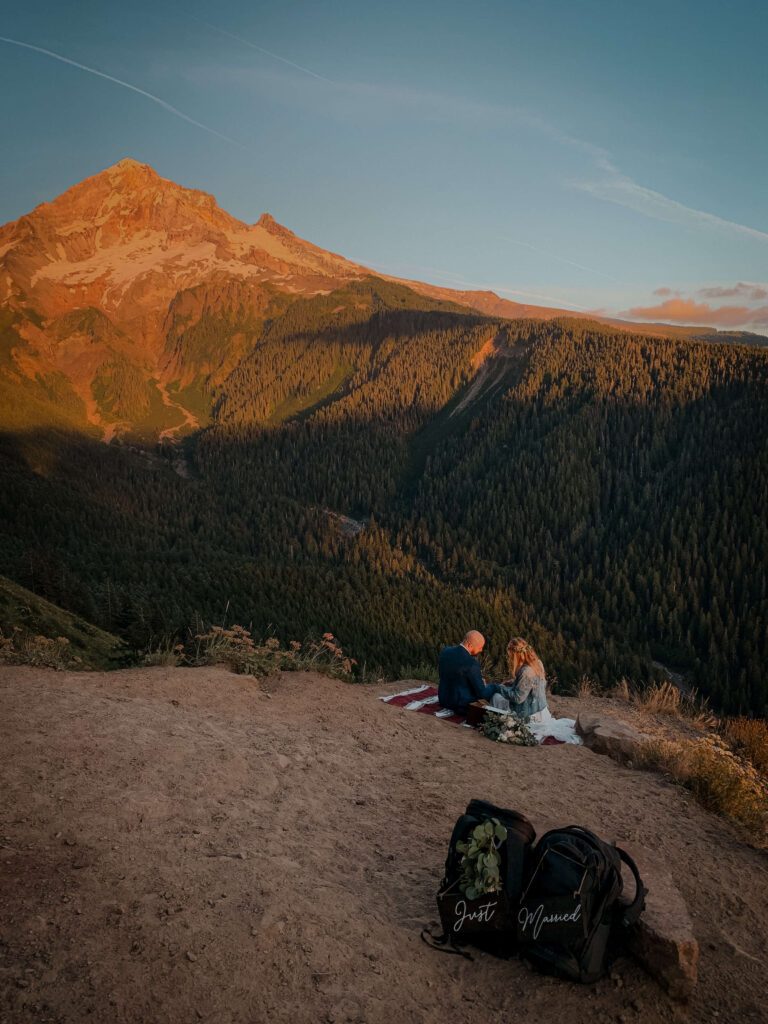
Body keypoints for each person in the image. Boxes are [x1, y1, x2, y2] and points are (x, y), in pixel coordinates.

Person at [438, 630, 500, 714]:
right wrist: (494, 687)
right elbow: (482, 694)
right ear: (470, 645)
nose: (481, 650)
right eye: (480, 647)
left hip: (443, 699)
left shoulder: (445, 651)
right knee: (487, 692)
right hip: (459, 704)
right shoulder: (472, 663)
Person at [492, 637, 550, 723]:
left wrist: (498, 687)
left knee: (495, 697)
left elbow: (518, 698)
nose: (510, 659)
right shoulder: (538, 663)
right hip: (541, 709)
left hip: (529, 714)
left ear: (516, 655)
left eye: (511, 656)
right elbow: (534, 683)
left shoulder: (526, 671)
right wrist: (512, 681)